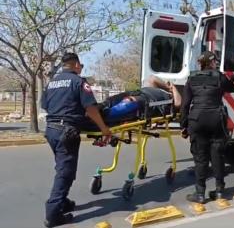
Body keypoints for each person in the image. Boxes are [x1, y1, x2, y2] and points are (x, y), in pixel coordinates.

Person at [41, 53, 111, 227]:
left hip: (51, 130)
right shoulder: (79, 82)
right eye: (81, 66)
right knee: (65, 173)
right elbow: (91, 109)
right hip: (67, 131)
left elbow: (45, 105)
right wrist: (104, 129)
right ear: (76, 65)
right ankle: (53, 214)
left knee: (62, 167)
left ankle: (63, 202)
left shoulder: (51, 83)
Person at [180, 51, 234, 204]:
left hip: (197, 120)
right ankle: (219, 190)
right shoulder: (219, 76)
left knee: (200, 158)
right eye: (215, 61)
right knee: (217, 155)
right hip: (216, 119)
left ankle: (200, 194)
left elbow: (185, 105)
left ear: (200, 64)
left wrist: (184, 125)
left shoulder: (191, 79)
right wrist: (232, 79)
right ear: (212, 62)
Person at [80, 75, 182, 130]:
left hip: (137, 101)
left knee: (109, 107)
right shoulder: (158, 90)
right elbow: (152, 78)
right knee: (105, 107)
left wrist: (172, 88)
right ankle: (88, 115)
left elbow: (178, 103)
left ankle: (88, 117)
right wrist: (168, 87)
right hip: (135, 98)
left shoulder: (168, 100)